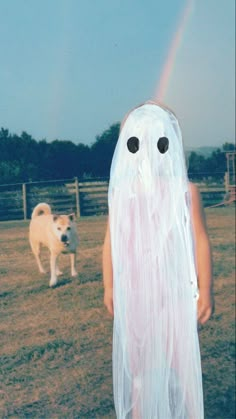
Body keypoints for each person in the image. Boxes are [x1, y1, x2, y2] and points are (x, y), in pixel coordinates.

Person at [103, 101, 213, 419]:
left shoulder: (185, 192)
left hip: (176, 295)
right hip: (136, 296)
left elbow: (201, 240)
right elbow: (110, 242)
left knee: (183, 363)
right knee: (138, 372)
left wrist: (206, 290)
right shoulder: (123, 195)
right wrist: (110, 287)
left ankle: (192, 413)